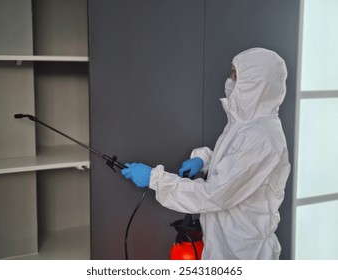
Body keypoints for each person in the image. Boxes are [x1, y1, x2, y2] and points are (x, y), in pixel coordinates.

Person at [121, 47, 291, 260]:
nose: (231, 81)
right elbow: (236, 162)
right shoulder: (245, 123)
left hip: (244, 251)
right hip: (225, 242)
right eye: (232, 75)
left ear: (258, 84)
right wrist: (204, 159)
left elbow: (215, 194)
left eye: (238, 77)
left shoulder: (263, 136)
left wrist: (156, 179)